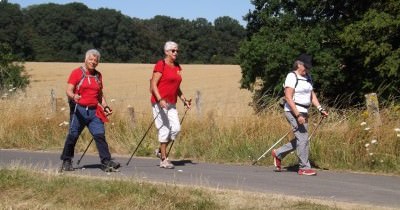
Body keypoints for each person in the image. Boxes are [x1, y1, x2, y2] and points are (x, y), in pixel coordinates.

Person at [60, 49, 120, 172]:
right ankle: (66, 161)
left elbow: (100, 95)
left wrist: (106, 107)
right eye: (91, 59)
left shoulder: (98, 76)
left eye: (95, 60)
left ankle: (106, 161)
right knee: (73, 135)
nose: (93, 62)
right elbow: (69, 90)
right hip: (79, 110)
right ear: (86, 60)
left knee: (100, 136)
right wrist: (74, 96)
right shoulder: (77, 73)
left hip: (94, 112)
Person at [272, 53, 328, 176]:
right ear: (299, 64)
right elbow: (288, 97)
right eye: (306, 67)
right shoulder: (291, 76)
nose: (307, 69)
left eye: (309, 67)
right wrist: (298, 115)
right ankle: (304, 167)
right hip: (292, 111)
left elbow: (311, 95)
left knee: (302, 138)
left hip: (304, 111)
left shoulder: (308, 77)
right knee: (303, 138)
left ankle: (278, 153)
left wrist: (320, 108)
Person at [150, 41, 191, 169]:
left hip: (172, 103)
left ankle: (160, 150)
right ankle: (164, 159)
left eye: (177, 51)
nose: (176, 53)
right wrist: (160, 99)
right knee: (165, 129)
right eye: (173, 51)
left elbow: (176, 87)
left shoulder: (177, 67)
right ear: (166, 52)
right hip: (159, 102)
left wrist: (184, 99)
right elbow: (153, 84)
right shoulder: (160, 65)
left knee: (176, 129)